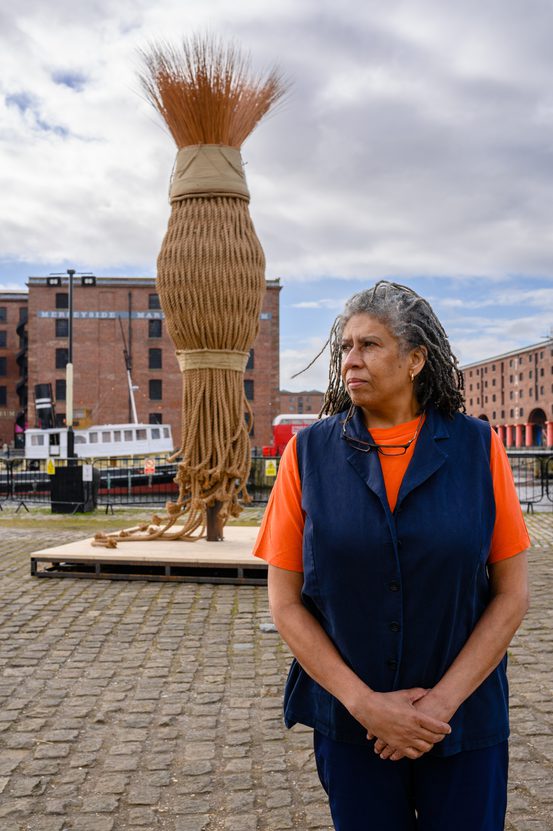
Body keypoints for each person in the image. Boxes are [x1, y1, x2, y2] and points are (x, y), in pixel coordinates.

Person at [253, 281, 530, 831]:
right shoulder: (308, 455)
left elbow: (511, 594)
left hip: (462, 724)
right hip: (355, 730)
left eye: (369, 345)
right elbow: (285, 605)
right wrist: (364, 704)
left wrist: (439, 706)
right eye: (345, 348)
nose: (350, 360)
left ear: (416, 360)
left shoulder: (478, 448)